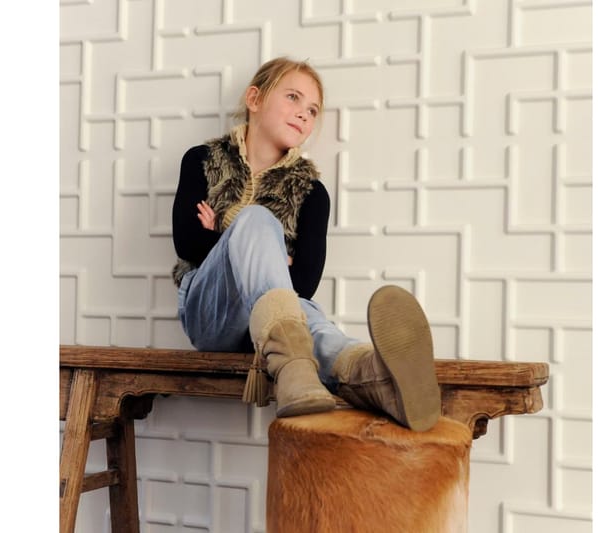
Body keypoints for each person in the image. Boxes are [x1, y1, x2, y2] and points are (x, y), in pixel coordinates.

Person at [171, 57, 441, 432]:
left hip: (279, 327)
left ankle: (368, 374)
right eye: (293, 97)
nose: (303, 114)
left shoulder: (312, 193)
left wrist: (220, 232)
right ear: (254, 99)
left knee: (306, 320)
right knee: (256, 220)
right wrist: (259, 247)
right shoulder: (201, 161)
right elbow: (188, 243)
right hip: (212, 316)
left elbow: (305, 283)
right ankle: (307, 366)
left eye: (312, 110)